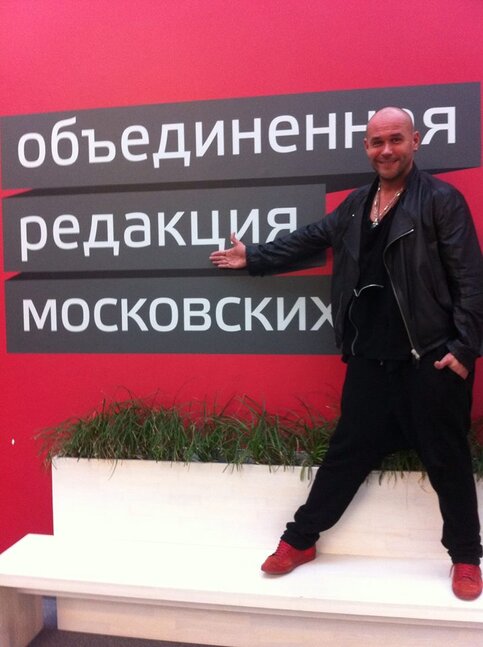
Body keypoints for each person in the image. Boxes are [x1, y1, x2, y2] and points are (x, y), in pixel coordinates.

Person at [210, 106, 483, 601]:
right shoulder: (358, 204)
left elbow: (471, 279)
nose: (386, 150)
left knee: (448, 461)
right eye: (377, 142)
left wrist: (464, 349)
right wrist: (255, 257)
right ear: (366, 147)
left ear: (415, 141)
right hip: (368, 360)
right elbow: (311, 238)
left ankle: (466, 557)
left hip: (430, 361)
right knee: (345, 457)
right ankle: (301, 541)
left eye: (396, 139)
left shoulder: (441, 201)